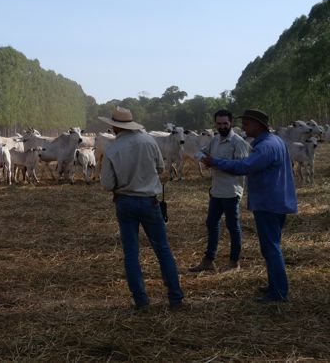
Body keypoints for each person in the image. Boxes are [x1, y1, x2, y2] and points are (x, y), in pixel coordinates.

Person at [201, 109, 298, 302]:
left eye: (246, 123)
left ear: (257, 125)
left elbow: (245, 166)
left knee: (271, 248)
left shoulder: (265, 147)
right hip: (276, 200)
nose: (243, 127)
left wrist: (216, 162)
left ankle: (278, 292)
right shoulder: (274, 142)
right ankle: (275, 285)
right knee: (271, 246)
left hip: (268, 202)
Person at [99, 106, 185, 311]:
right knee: (163, 249)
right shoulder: (149, 141)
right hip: (149, 201)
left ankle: (141, 301)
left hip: (125, 202)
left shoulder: (112, 150)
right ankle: (175, 298)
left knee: (131, 253)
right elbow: (161, 169)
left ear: (115, 127)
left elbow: (107, 184)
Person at [189, 109, 251, 273]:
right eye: (219, 124)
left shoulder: (238, 142)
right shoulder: (215, 140)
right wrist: (203, 159)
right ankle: (209, 260)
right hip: (216, 191)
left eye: (225, 123)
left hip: (231, 192)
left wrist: (215, 163)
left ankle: (234, 263)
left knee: (233, 227)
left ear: (231, 123)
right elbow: (200, 153)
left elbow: (241, 167)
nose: (222, 126)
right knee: (211, 224)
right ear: (215, 124)